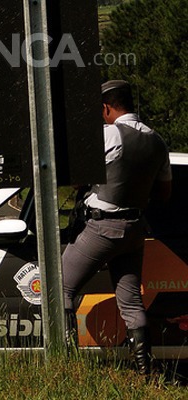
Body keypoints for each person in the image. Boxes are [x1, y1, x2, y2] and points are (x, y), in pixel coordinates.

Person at [62, 80, 172, 374]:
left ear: (106, 107)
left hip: (102, 226)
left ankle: (65, 362)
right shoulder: (157, 140)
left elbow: (77, 180)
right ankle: (144, 369)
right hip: (136, 228)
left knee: (59, 287)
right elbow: (164, 193)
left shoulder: (108, 135)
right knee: (131, 301)